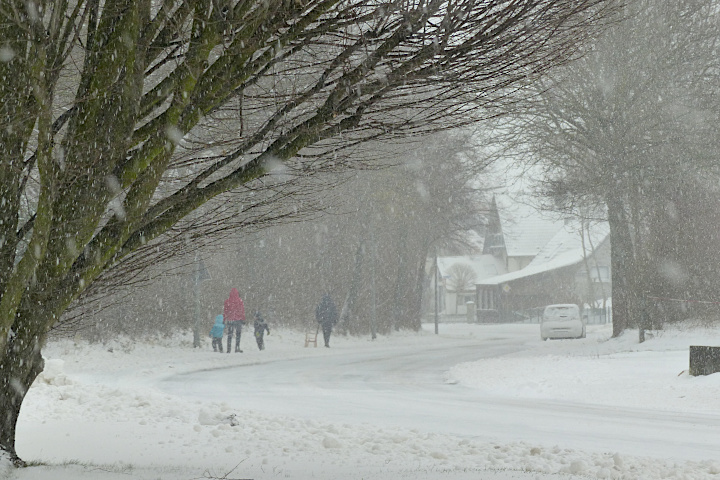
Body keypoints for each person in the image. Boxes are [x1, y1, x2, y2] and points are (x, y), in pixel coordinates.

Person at [223, 288, 246, 353]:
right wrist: (243, 318)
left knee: (230, 334)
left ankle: (228, 349)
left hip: (230, 320)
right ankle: (237, 347)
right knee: (238, 334)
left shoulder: (227, 301)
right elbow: (242, 311)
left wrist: (224, 319)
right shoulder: (240, 301)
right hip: (238, 320)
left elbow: (225, 311)